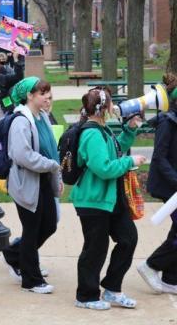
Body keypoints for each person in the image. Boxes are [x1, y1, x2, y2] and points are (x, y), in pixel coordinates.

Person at [70, 87, 145, 310]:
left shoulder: (102, 130)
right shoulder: (92, 133)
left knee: (128, 238)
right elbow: (103, 168)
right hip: (93, 200)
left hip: (110, 199)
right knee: (95, 248)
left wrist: (129, 130)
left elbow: (115, 151)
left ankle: (112, 288)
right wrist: (131, 163)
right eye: (112, 104)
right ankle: (86, 295)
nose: (114, 107)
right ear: (104, 108)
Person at [1, 77, 61, 295]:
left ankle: (14, 255)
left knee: (49, 225)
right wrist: (51, 166)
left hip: (43, 180)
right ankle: (31, 279)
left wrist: (56, 175)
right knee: (32, 228)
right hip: (26, 183)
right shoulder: (21, 121)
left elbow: (51, 149)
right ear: (29, 96)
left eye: (48, 93)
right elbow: (22, 155)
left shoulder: (42, 117)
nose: (48, 97)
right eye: (43, 93)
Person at [138, 73, 177, 295]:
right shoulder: (167, 122)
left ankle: (171, 279)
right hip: (168, 185)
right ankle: (151, 265)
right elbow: (160, 158)